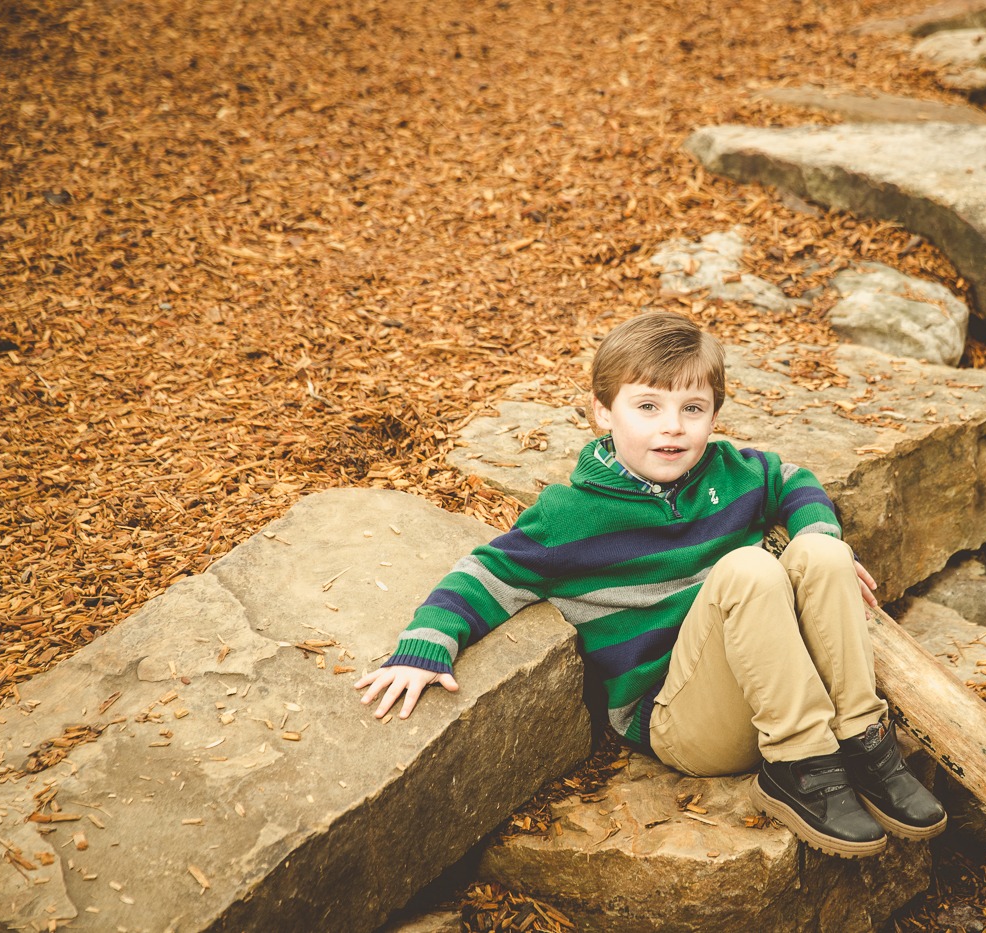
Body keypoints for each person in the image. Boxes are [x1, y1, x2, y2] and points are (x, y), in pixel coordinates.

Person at [355, 311, 945, 857]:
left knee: (820, 550)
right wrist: (427, 642)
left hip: (772, 680)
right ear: (603, 412)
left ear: (714, 415)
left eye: (693, 408)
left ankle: (864, 740)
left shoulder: (729, 470)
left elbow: (791, 478)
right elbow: (488, 572)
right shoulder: (572, 516)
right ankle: (800, 766)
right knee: (749, 568)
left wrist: (821, 530)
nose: (672, 428)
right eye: (647, 407)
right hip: (686, 723)